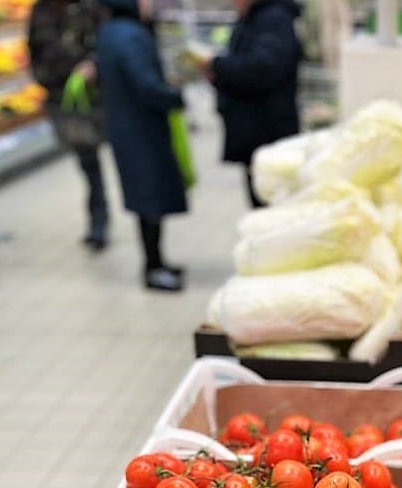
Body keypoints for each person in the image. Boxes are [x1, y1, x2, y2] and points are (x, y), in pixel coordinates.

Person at [95, 0, 187, 291]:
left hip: (126, 125)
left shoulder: (109, 30)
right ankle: (153, 268)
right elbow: (146, 86)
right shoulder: (131, 35)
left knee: (145, 195)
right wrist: (175, 96)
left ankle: (157, 261)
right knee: (150, 197)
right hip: (141, 128)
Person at [198, 0, 302, 207]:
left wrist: (217, 66)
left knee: (269, 208)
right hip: (255, 134)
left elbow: (262, 69)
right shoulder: (255, 18)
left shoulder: (273, 19)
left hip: (268, 133)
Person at [28, 0, 110, 251]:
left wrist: (94, 64)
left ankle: (101, 220)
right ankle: (98, 220)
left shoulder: (90, 7)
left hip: (97, 96)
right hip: (61, 98)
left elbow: (106, 42)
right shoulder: (41, 10)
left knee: (97, 159)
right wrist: (47, 81)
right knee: (87, 161)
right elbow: (34, 51)